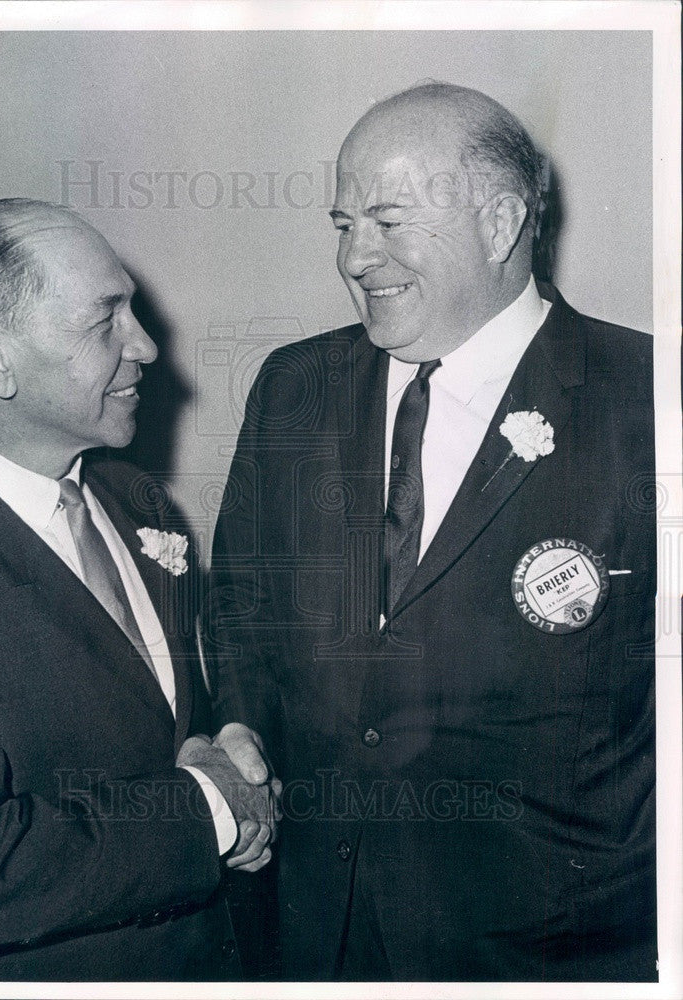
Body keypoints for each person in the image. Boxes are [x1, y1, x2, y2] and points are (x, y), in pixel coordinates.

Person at [209, 83, 656, 981]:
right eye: (343, 223)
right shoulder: (292, 386)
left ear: (500, 224)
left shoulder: (646, 400)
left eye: (385, 221)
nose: (353, 257)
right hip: (311, 932)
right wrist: (239, 735)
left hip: (544, 948)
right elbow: (244, 606)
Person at [0, 198, 279, 981]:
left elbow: (158, 720)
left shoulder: (138, 503)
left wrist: (229, 740)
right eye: (105, 321)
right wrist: (209, 809)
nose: (145, 345)